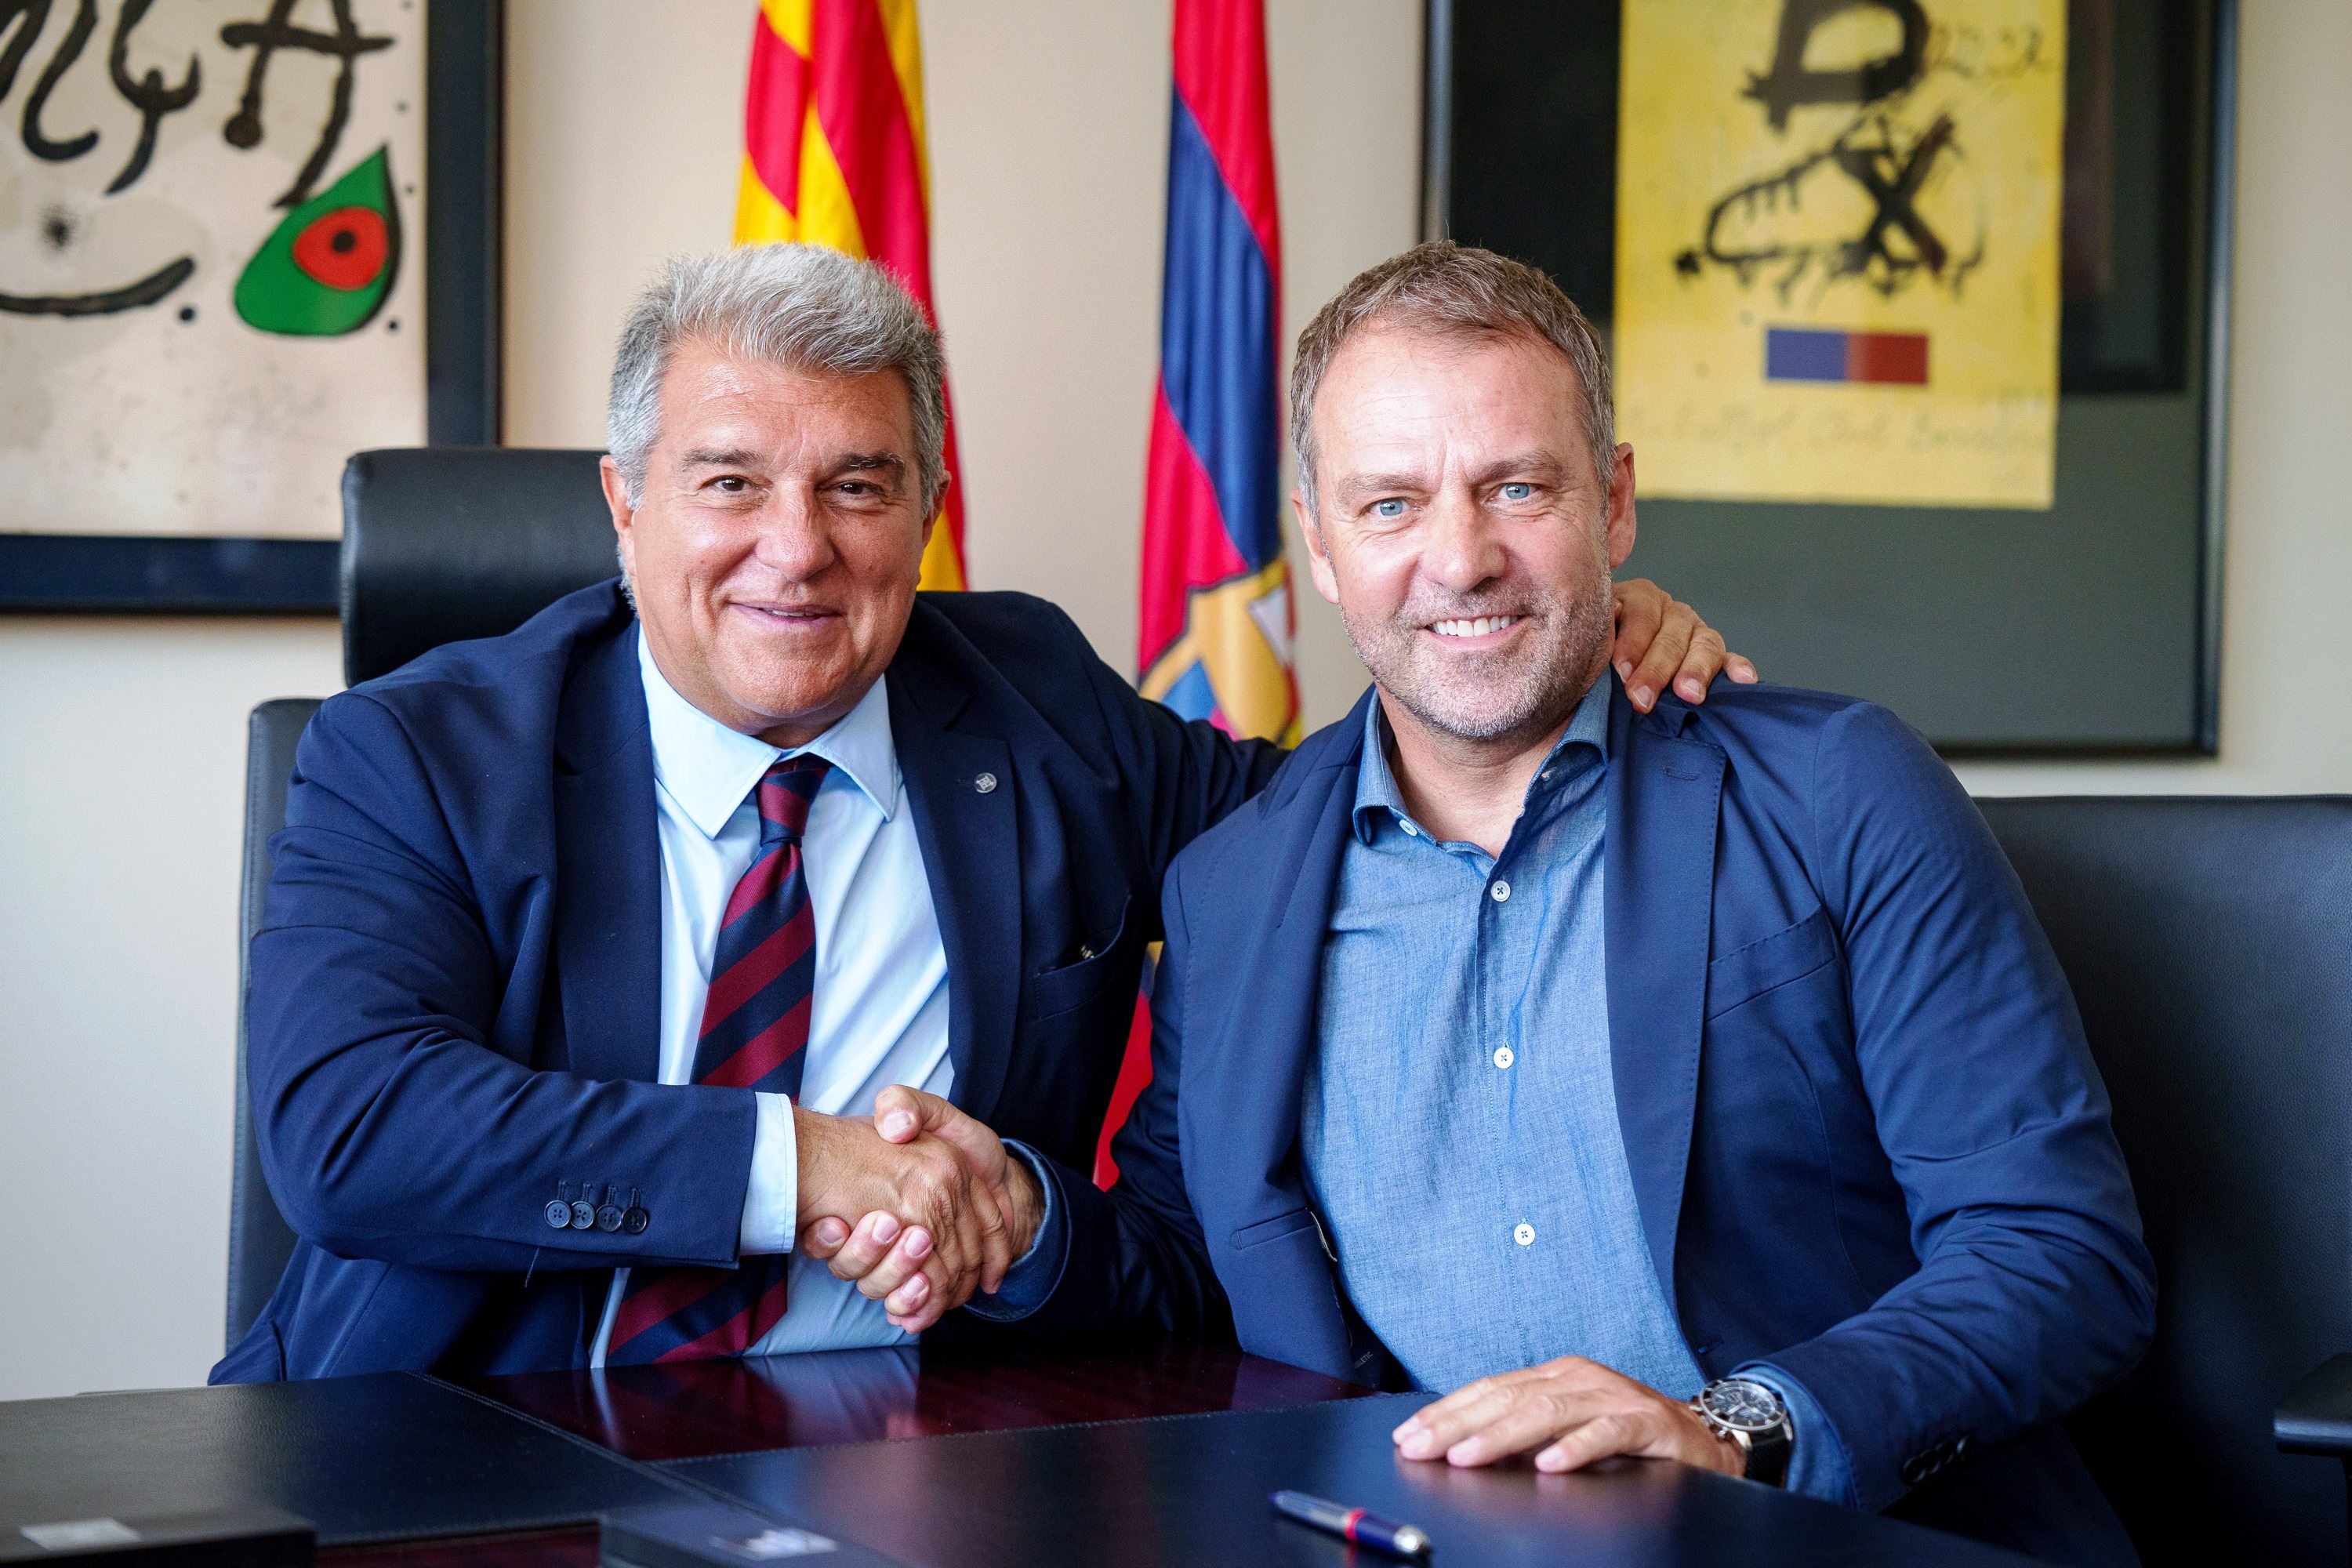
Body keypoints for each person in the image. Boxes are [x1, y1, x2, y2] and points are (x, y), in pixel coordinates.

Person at [819, 243, 2154, 1566]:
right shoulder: (1233, 887)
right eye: (1391, 504)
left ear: (1613, 504)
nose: (1460, 560)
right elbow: (1189, 1256)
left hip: (1829, 1540)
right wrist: (1024, 1221)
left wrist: (1731, 1430)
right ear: (1321, 543)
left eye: (1517, 488)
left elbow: (2059, 1252)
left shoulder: (1838, 790)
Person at [212, 242, 1740, 1382]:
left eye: (859, 486)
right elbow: (352, 1130)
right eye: (730, 483)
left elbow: (1341, 812)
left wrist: (1534, 639)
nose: (797, 549)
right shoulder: (415, 753)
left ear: (930, 509)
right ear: (625, 503)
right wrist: (800, 1164)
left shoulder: (1030, 707)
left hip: (916, 1454)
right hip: (462, 1445)